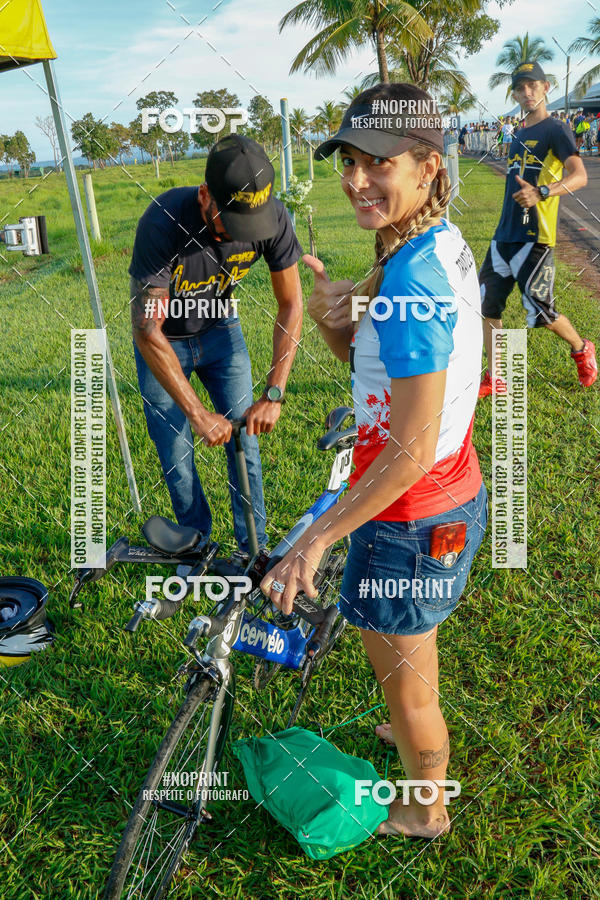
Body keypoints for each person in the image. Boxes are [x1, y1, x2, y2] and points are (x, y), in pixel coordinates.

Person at [261, 82, 488, 839]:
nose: (359, 179)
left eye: (379, 163)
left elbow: (410, 448)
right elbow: (390, 387)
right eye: (350, 161)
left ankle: (426, 808)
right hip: (445, 498)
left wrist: (317, 538)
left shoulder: (416, 274)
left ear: (427, 166)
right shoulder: (434, 241)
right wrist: (337, 323)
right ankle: (408, 721)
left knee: (410, 688)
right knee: (407, 659)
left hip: (411, 514)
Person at [129, 134, 304, 564]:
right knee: (177, 453)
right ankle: (196, 548)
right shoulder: (163, 221)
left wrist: (275, 392)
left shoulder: (274, 217)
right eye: (231, 224)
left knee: (245, 442)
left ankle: (254, 552)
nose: (238, 237)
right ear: (206, 195)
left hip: (222, 331)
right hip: (164, 344)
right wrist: (196, 412)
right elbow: (147, 329)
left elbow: (292, 302)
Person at [479, 61, 596, 395]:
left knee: (541, 312)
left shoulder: (555, 129)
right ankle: (496, 374)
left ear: (546, 88)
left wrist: (543, 192)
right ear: (515, 93)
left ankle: (581, 347)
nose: (526, 92)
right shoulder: (517, 132)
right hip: (504, 234)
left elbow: (580, 175)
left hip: (535, 235)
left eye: (533, 85)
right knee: (487, 304)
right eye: (520, 87)